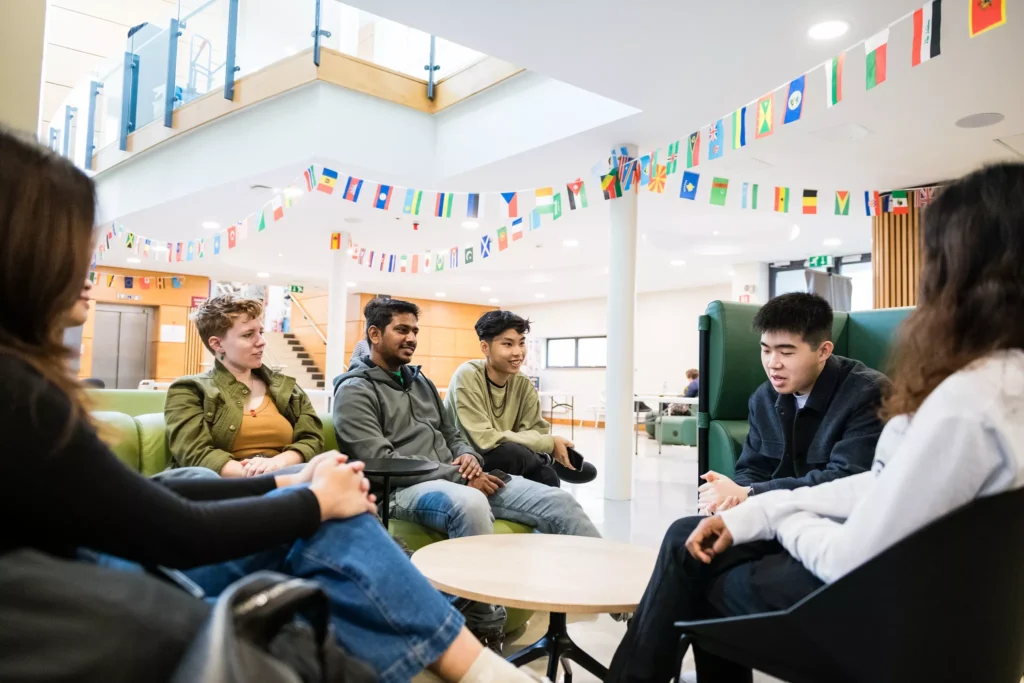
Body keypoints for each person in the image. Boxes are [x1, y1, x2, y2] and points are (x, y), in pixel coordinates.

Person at [0, 129, 537, 683]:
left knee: (322, 504)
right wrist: (304, 497)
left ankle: (443, 647)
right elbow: (176, 497)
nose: (89, 266)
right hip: (101, 586)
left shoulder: (288, 384)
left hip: (245, 489)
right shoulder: (34, 393)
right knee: (335, 524)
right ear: (26, 255)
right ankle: (471, 660)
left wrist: (288, 478)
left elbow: (289, 440)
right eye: (74, 245)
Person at [607, 163, 1024, 683]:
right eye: (765, 350)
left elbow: (855, 516)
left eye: (933, 258)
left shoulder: (958, 400)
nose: (773, 363)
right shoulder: (1000, 386)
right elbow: (876, 485)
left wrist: (769, 511)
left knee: (698, 567)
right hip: (944, 602)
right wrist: (748, 500)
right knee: (688, 538)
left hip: (877, 599)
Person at [333, 297, 601, 646]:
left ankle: (620, 591)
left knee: (557, 501)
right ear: (374, 333)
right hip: (401, 491)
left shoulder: (420, 382)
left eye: (415, 330)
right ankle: (484, 623)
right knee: (471, 503)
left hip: (456, 477)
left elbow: (453, 433)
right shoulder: (354, 390)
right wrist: (456, 472)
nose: (411, 337)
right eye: (402, 330)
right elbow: (379, 458)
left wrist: (467, 457)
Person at [697, 292, 887, 516]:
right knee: (684, 532)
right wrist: (730, 499)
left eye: (786, 352)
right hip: (774, 515)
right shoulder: (763, 398)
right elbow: (752, 467)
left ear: (823, 351)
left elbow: (844, 479)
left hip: (834, 523)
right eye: (766, 350)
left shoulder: (868, 393)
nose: (772, 364)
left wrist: (750, 493)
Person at [166, 295, 325, 478]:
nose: (261, 341)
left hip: (286, 477)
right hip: (223, 486)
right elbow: (194, 454)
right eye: (248, 335)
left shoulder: (286, 388)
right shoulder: (188, 390)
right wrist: (257, 476)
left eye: (261, 332)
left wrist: (277, 463)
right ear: (217, 344)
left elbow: (312, 439)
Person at [444, 310, 596, 487]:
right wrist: (548, 444)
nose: (518, 352)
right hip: (467, 457)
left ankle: (545, 462)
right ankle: (546, 459)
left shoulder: (523, 382)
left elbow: (537, 431)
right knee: (512, 453)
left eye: (521, 343)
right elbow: (483, 439)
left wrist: (544, 442)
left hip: (511, 453)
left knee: (547, 476)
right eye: (508, 344)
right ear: (485, 348)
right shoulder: (468, 375)